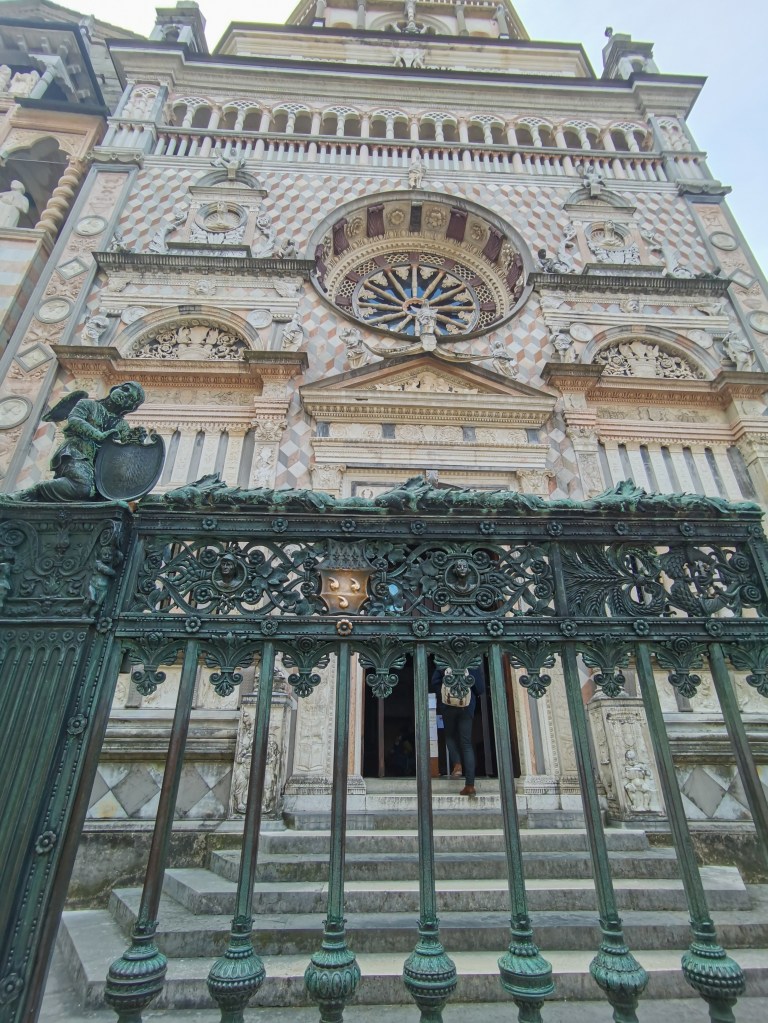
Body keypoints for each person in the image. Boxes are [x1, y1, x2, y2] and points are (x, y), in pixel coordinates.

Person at [13, 381, 146, 502]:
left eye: (131, 399)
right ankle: (37, 490)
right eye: (125, 390)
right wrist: (99, 435)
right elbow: (75, 420)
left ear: (130, 407)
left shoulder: (121, 425)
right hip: (76, 451)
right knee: (83, 489)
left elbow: (125, 450)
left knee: (103, 496)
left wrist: (136, 440)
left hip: (98, 466)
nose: (125, 395)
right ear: (114, 388)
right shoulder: (88, 404)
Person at [431, 664, 485, 796]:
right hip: (466, 706)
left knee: (449, 736)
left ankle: (457, 765)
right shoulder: (472, 662)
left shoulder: (443, 660)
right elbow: (481, 688)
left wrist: (444, 694)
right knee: (466, 743)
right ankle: (470, 785)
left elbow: (434, 682)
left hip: (448, 705)